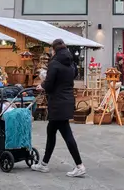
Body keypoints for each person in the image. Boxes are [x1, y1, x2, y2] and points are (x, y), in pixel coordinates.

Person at [31, 39, 86, 178]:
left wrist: (41, 85)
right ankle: (43, 164)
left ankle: (79, 165)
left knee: (66, 134)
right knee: (51, 131)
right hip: (67, 100)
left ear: (54, 50)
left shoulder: (54, 63)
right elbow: (71, 77)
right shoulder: (71, 63)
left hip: (57, 102)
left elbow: (49, 84)